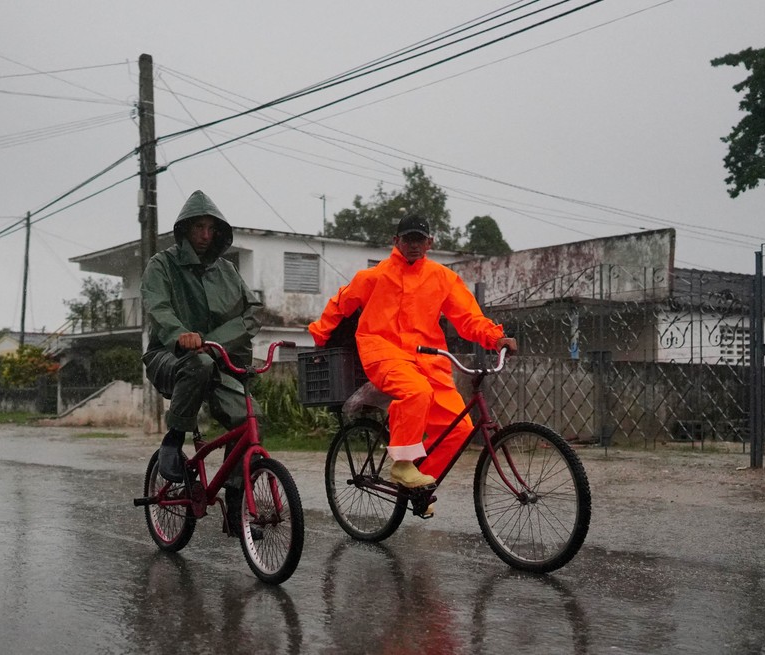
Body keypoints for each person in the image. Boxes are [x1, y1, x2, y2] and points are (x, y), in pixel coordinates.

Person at [308, 215, 518, 498]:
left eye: (420, 239)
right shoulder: (374, 277)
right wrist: (320, 340)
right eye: (408, 239)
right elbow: (339, 305)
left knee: (459, 429)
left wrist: (495, 338)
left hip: (431, 359)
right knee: (415, 392)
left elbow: (469, 318)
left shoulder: (443, 278)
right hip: (382, 351)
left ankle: (418, 485)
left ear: (429, 243)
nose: (414, 245)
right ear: (396, 242)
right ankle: (403, 463)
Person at [142, 190, 260, 536]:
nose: (206, 235)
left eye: (211, 228)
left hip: (216, 359)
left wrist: (213, 344)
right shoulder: (162, 265)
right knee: (198, 365)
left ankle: (236, 503)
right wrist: (181, 334)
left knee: (248, 418)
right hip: (170, 357)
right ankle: (173, 439)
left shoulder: (227, 270)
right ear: (185, 230)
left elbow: (251, 314)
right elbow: (157, 306)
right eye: (198, 228)